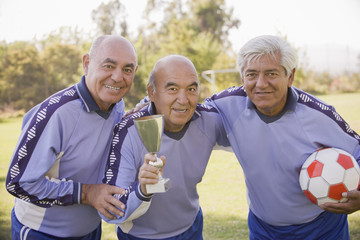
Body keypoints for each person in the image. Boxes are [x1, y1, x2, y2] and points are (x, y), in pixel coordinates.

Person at [205, 35, 360, 239]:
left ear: (290, 76)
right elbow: (186, 112)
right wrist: (149, 105)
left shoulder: (319, 115)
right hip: (264, 230)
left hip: (323, 229)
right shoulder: (226, 106)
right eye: (251, 74)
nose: (261, 83)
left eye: (271, 73)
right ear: (242, 78)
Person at [5, 35, 139, 239]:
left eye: (127, 69)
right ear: (87, 63)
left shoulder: (118, 106)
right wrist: (86, 193)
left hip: (91, 231)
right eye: (109, 66)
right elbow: (19, 182)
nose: (118, 77)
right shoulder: (56, 113)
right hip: (41, 233)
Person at [101, 54, 230, 239]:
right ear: (151, 92)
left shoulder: (209, 120)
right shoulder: (127, 131)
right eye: (172, 89)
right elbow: (112, 209)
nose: (183, 99)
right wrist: (142, 190)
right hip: (140, 236)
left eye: (191, 89)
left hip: (191, 229)